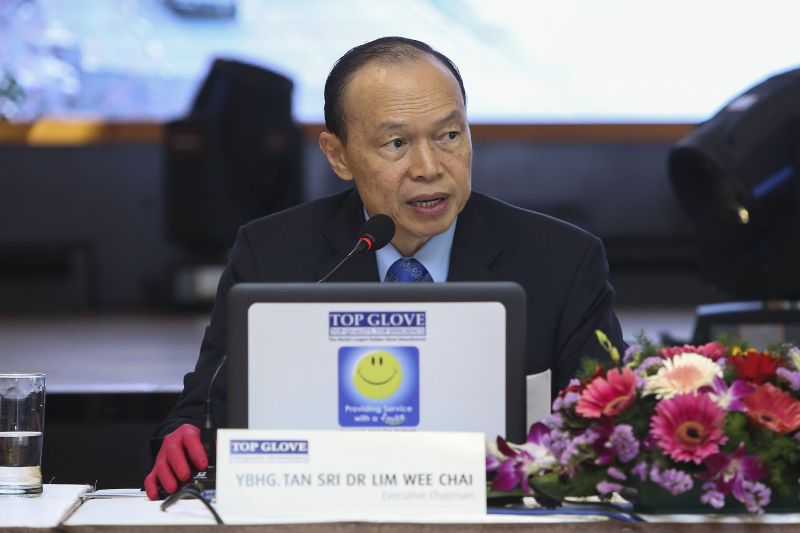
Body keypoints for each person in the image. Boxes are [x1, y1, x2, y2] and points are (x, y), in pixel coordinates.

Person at [144, 36, 624, 499]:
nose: (430, 166)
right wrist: (185, 434)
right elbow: (205, 407)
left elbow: (611, 430)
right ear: (338, 155)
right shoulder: (271, 254)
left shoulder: (562, 260)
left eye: (449, 135)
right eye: (396, 144)